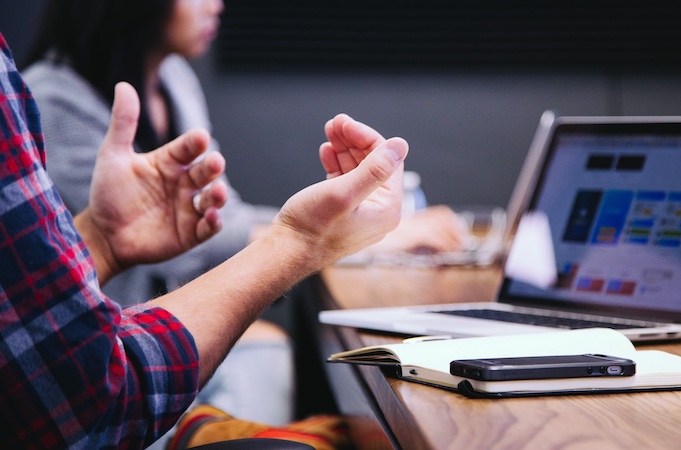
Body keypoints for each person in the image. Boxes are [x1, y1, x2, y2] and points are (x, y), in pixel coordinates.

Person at [0, 31, 409, 449]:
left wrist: (102, 242)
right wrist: (303, 240)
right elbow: (90, 400)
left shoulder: (174, 77)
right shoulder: (52, 96)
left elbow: (22, 301)